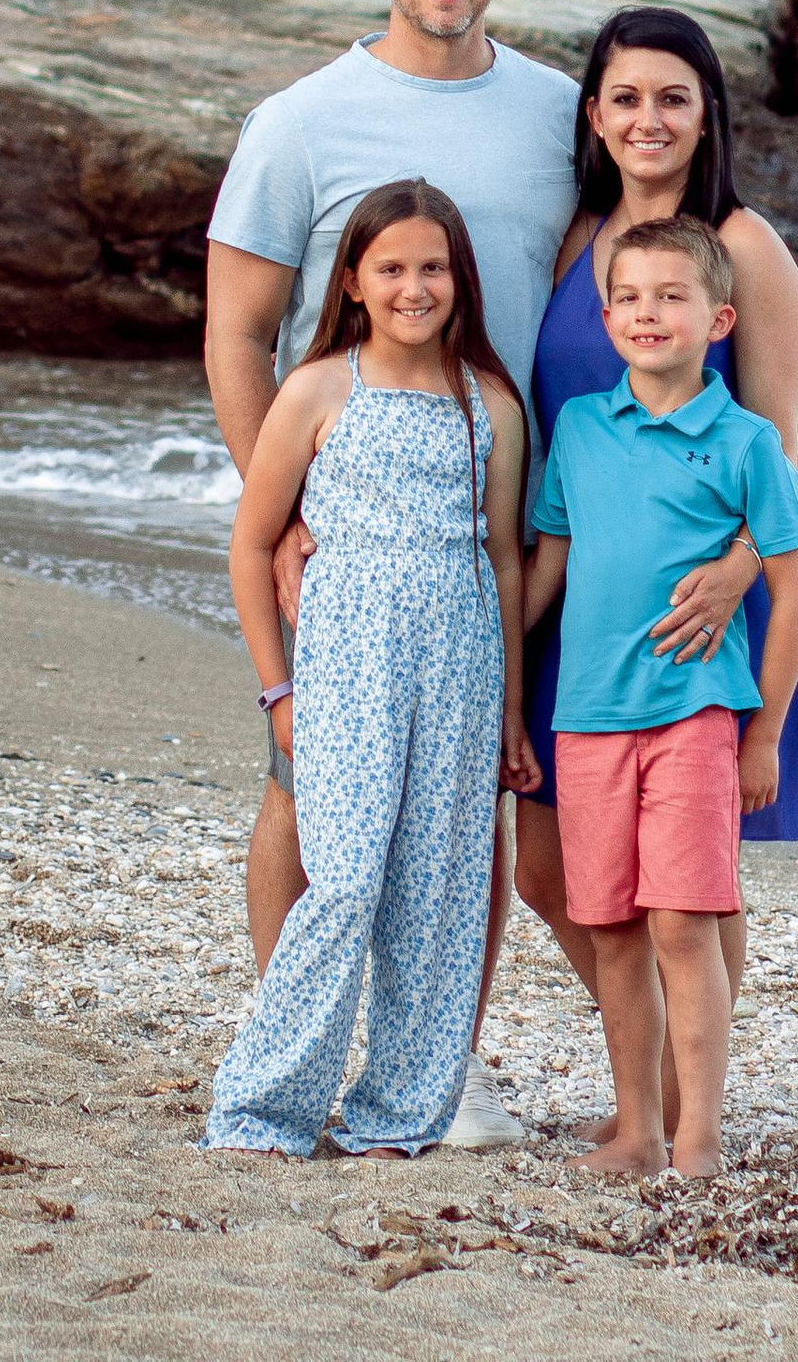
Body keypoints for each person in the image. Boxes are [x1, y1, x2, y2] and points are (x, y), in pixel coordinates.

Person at [202, 0, 755, 1151]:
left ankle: (437, 1069)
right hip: (356, 521)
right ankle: (296, 1048)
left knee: (477, 827)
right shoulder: (302, 120)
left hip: (537, 515)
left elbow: (660, 259)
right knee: (306, 800)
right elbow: (236, 337)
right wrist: (282, 516)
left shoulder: (562, 116)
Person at [207, 184, 536, 1158]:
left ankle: (399, 1114)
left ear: (459, 280)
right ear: (352, 280)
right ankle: (265, 1110)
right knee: (344, 882)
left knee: (435, 895)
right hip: (347, 672)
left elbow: (506, 559)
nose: (413, 286)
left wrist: (510, 710)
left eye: (432, 266)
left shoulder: (490, 404)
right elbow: (250, 544)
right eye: (390, 267)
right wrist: (279, 691)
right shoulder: (317, 392)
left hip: (462, 673)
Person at [517, 3, 798, 1084]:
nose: (649, 119)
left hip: (706, 603)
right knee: (550, 875)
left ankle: (696, 1110)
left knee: (691, 883)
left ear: (707, 117)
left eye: (672, 99)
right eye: (627, 98)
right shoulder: (573, 241)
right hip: (577, 592)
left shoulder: (743, 249)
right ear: (593, 114)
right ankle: (663, 1082)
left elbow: (777, 441)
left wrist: (740, 574)